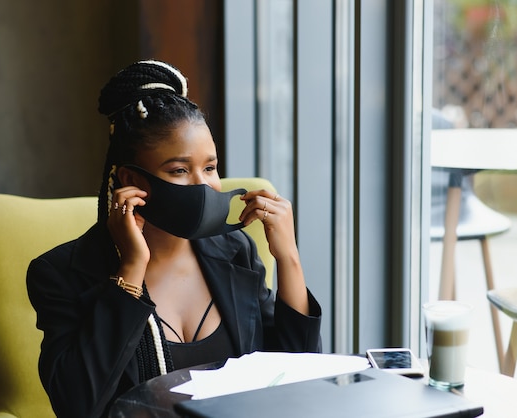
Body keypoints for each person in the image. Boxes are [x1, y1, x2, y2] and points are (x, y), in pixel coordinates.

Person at [27, 60, 322, 418]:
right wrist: (131, 271)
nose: (202, 184)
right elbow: (78, 406)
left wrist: (288, 257)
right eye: (179, 170)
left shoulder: (234, 252)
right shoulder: (62, 274)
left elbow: (296, 374)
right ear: (129, 180)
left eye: (210, 167)